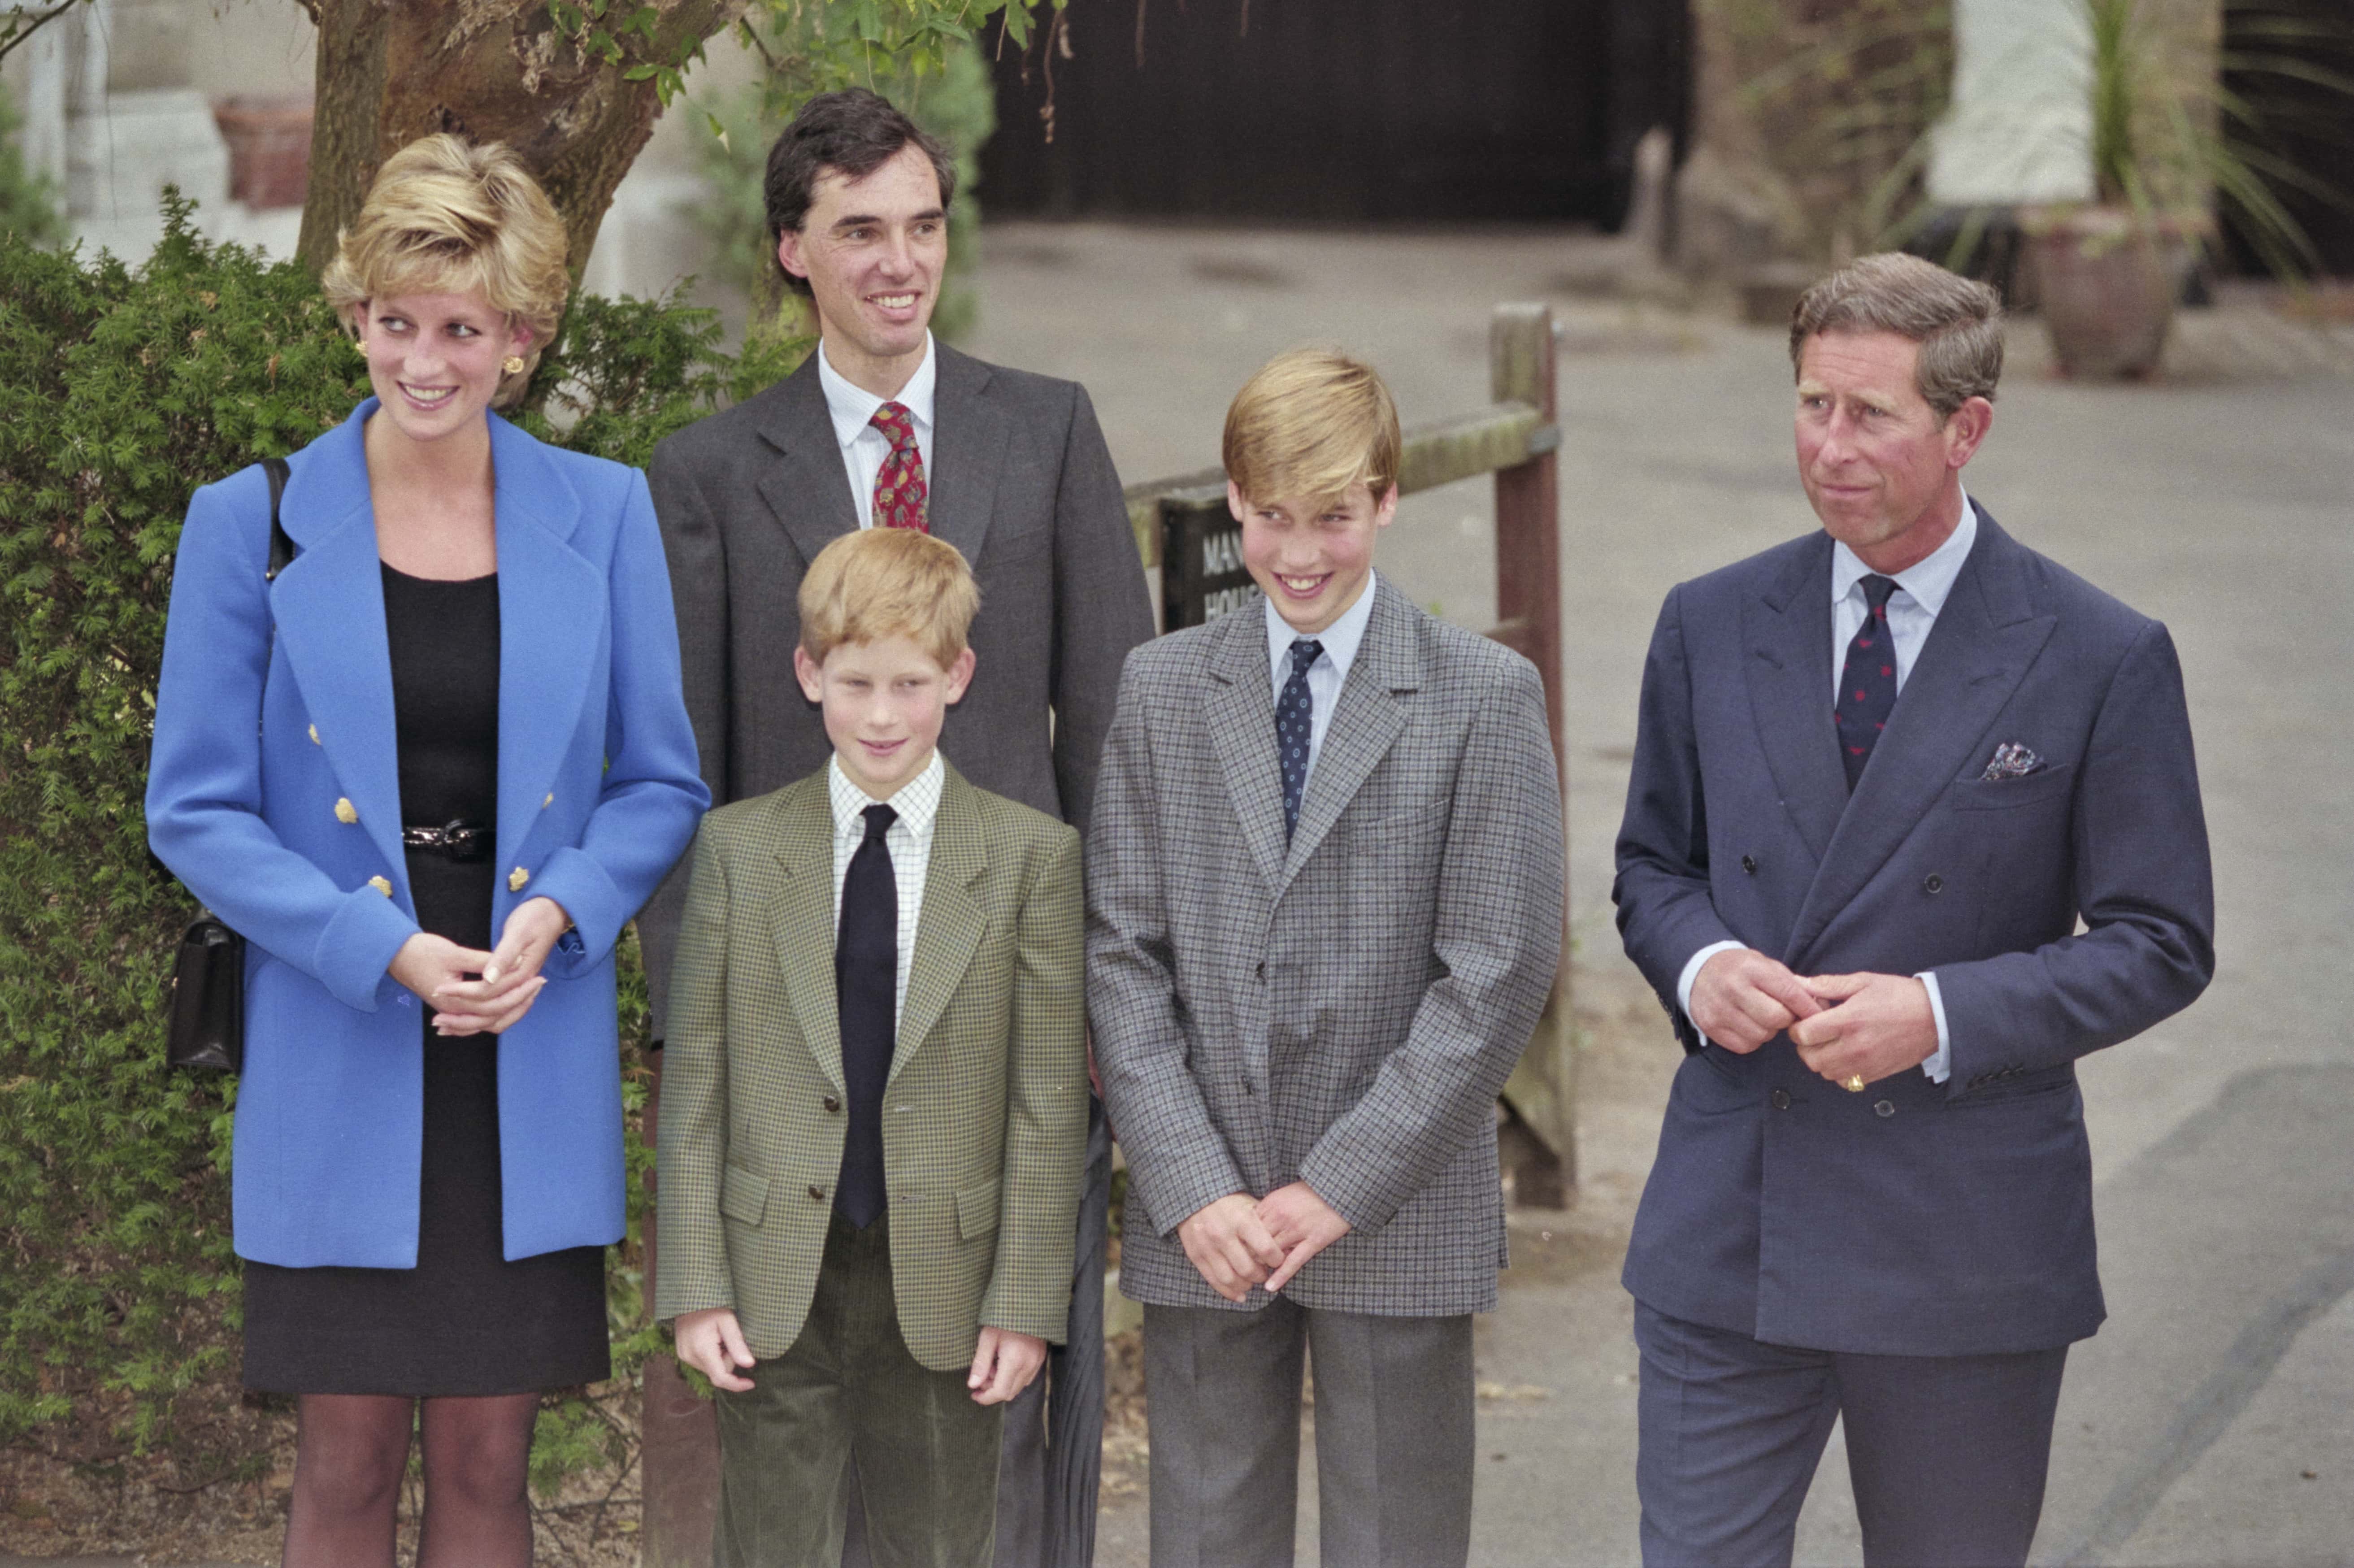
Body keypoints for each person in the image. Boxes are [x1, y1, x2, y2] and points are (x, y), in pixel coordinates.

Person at [143, 134, 708, 1567]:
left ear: (520, 337)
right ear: (356, 317)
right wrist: (373, 946)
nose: (425, 360)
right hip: (344, 1029)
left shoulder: (609, 509)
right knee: (337, 1460)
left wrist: (564, 916)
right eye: (396, 321)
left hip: (527, 1032)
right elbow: (194, 807)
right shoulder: (252, 521)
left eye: (462, 328)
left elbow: (657, 782)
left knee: (488, 1459)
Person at [1611, 252, 2215, 1567]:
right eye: (1811, 404)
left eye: (1869, 414)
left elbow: (2162, 940)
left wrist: (1936, 1011)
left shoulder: (2097, 652)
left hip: (1962, 1243)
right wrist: (1701, 961)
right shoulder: (1710, 623)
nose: (1829, 446)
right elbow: (1653, 867)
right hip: (1733, 1220)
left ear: (1966, 429)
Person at [636, 87, 1151, 1564]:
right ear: (796, 247)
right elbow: (693, 773)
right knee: (792, 1404)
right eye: (860, 231)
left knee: (981, 1398)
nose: (898, 261)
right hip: (800, 1000)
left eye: (922, 225)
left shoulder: (1047, 431)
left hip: (998, 1003)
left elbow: (1110, 731)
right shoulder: (713, 474)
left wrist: (1111, 997)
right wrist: (697, 1023)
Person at [1087, 347, 1565, 1568]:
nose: (1300, 553)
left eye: (1335, 519)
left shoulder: (1481, 696)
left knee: (1394, 1539)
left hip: (1393, 1202)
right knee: (1202, 1538)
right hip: (1210, 1216)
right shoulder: (1161, 689)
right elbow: (1121, 955)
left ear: (1389, 501)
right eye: (1272, 517)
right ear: (1235, 501)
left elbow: (1496, 972)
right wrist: (1190, 1181)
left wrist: (1341, 1182)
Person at [654, 525, 1087, 1568]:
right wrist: (696, 1283)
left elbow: (1046, 1104)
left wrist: (1026, 1301)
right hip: (774, 1279)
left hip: (945, 1280)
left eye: (910, 682)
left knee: (936, 1546)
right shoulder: (742, 850)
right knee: (770, 1546)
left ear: (960, 675)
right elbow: (698, 1079)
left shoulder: (1031, 856)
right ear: (809, 675)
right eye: (854, 683)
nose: (882, 714)